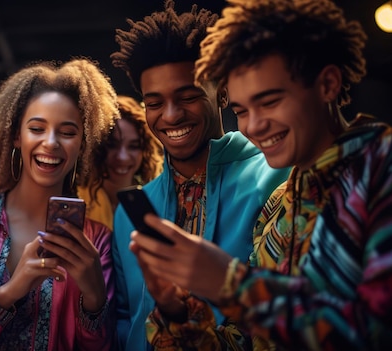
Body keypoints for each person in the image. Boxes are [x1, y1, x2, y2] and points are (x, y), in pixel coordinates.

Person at [131, 0, 392, 349]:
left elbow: (376, 330)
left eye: (269, 102)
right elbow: (249, 341)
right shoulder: (277, 205)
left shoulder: (380, 168)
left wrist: (231, 283)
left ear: (328, 83)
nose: (254, 125)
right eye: (241, 110)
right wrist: (176, 311)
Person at [109, 1, 291, 349]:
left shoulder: (274, 178)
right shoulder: (129, 212)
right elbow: (124, 318)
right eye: (155, 103)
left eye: (188, 96)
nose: (171, 115)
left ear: (222, 92)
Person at [0, 58, 119, 350]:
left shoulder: (98, 240)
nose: (51, 142)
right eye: (37, 128)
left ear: (83, 143)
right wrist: (9, 292)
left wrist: (94, 299)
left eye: (68, 132)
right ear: (17, 135)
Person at [77, 95, 162, 230]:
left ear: (145, 151)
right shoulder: (76, 199)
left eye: (133, 146)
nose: (122, 157)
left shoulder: (156, 200)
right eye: (112, 145)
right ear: (97, 147)